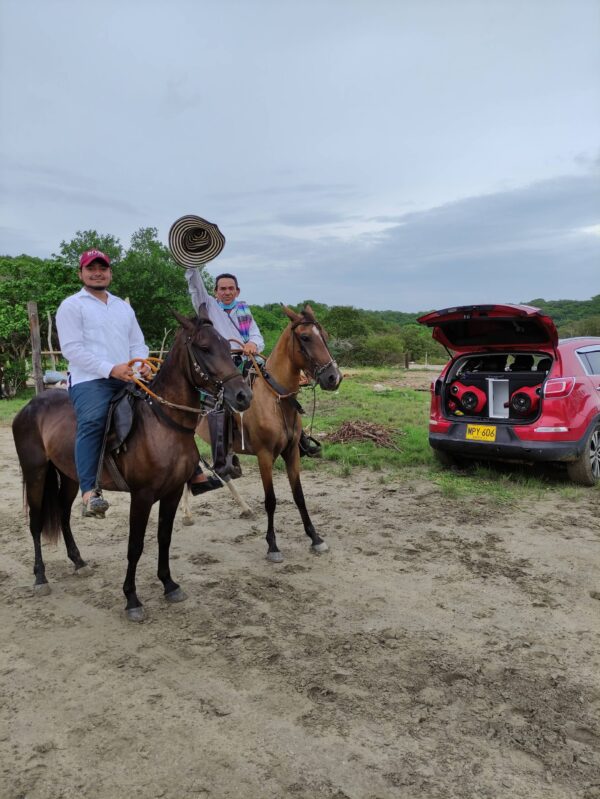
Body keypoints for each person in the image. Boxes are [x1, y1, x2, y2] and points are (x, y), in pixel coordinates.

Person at [185, 267, 321, 489]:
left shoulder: (243, 310)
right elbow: (195, 287)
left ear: (237, 291)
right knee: (221, 399)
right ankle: (224, 456)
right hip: (221, 363)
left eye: (231, 289)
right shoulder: (208, 306)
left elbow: (256, 334)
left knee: (278, 386)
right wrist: (193, 266)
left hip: (247, 359)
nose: (227, 292)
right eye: (222, 289)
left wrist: (252, 344)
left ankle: (299, 439)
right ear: (215, 291)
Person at [56, 249, 151, 518]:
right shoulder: (72, 305)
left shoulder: (123, 306)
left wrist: (141, 362)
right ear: (81, 273)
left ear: (110, 272)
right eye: (91, 268)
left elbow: (137, 343)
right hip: (91, 380)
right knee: (94, 421)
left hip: (128, 377)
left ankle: (191, 471)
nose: (97, 272)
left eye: (103, 268)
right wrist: (111, 369)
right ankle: (89, 491)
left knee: (164, 409)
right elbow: (72, 349)